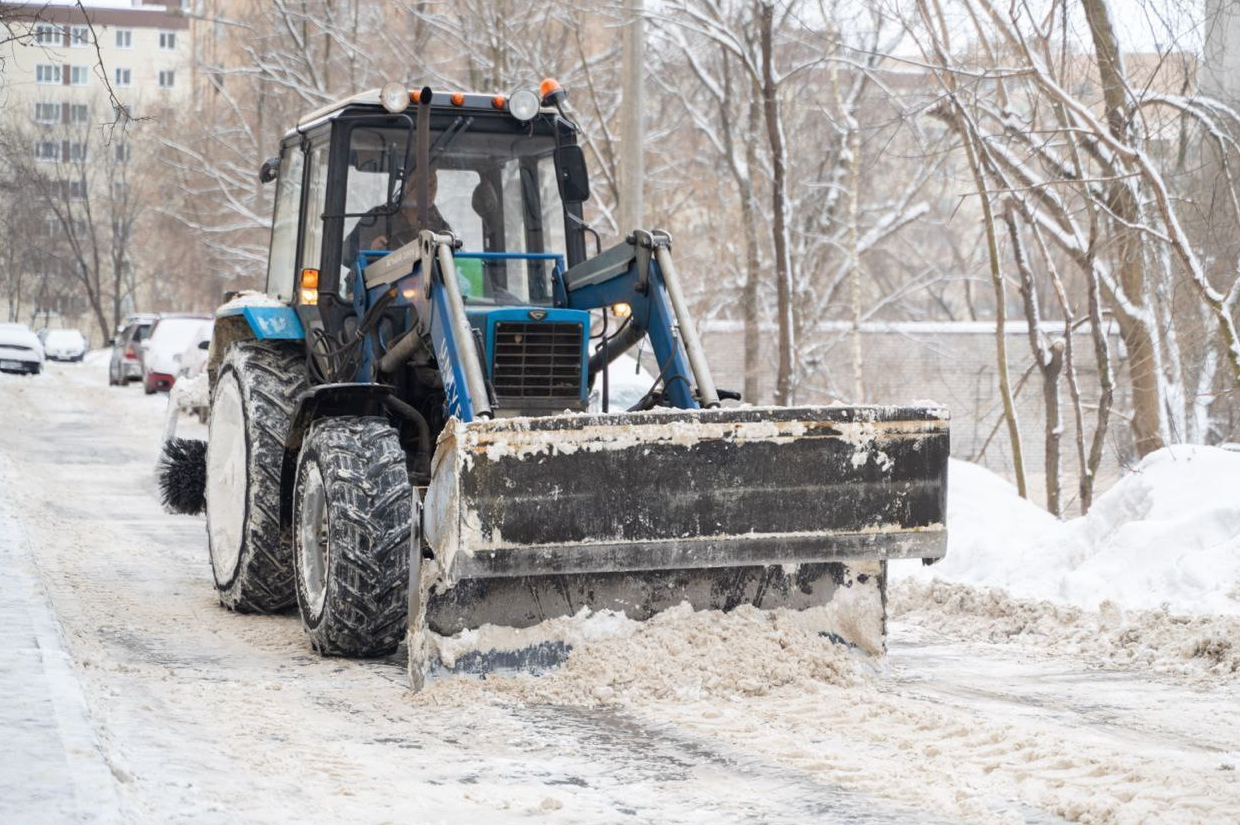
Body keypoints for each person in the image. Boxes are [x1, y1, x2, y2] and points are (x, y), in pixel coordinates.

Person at [344, 166, 451, 267]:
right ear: (408, 186)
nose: (430, 191)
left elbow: (457, 256)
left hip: (430, 282)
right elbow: (345, 255)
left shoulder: (438, 223)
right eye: (424, 184)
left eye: (433, 185)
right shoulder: (380, 218)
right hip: (384, 284)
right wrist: (370, 248)